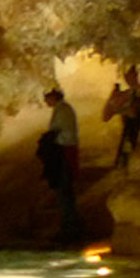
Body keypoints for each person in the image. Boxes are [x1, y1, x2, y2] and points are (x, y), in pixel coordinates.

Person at [42, 88, 81, 240]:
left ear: (53, 97)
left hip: (64, 151)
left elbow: (58, 131)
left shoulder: (63, 110)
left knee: (64, 189)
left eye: (47, 98)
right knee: (65, 190)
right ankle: (70, 223)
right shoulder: (62, 109)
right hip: (64, 150)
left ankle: (70, 225)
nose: (45, 102)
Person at [103, 67, 140, 169]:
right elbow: (106, 116)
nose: (129, 78)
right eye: (128, 75)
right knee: (126, 156)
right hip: (131, 132)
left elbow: (135, 111)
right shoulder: (126, 94)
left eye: (132, 75)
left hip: (139, 134)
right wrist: (113, 99)